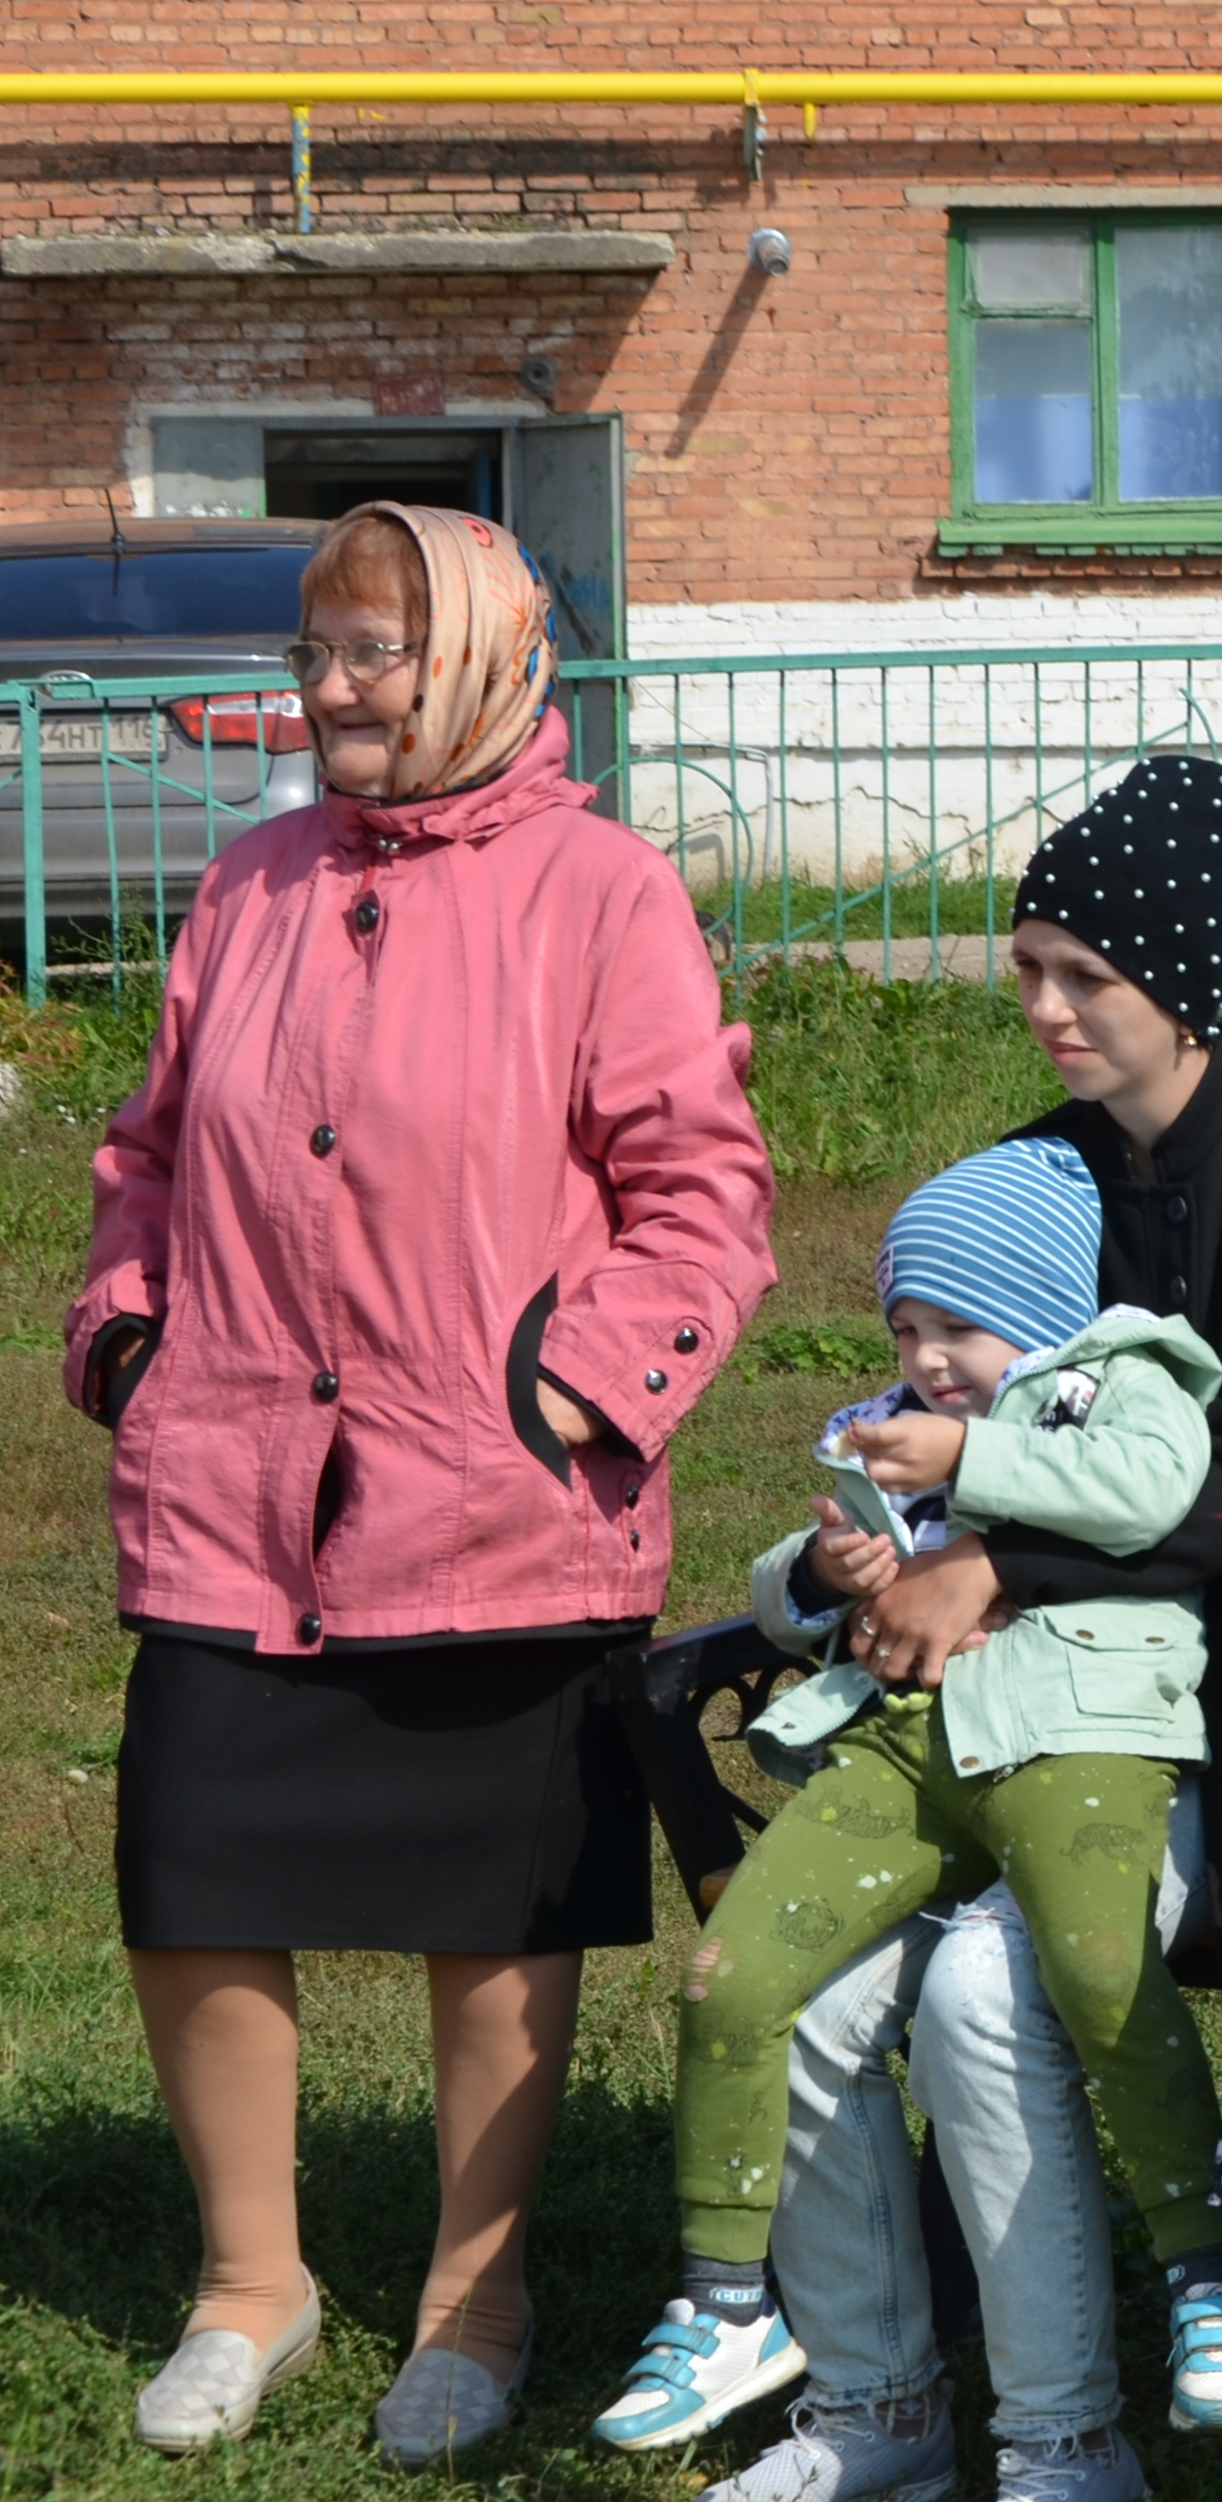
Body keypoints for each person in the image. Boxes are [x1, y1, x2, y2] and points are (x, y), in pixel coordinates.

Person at [69, 501, 778, 2462]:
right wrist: (130, 1332)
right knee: (191, 1877)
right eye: (315, 652)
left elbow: (700, 1194)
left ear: (478, 654)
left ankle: (478, 2301)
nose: (330, 688)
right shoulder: (251, 886)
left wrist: (577, 1386)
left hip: (492, 1500)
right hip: (235, 1480)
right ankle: (254, 2283)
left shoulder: (603, 891)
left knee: (499, 1908)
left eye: (375, 650)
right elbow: (144, 1151)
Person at [724, 752, 1222, 2502]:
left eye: (1077, 972)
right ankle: (885, 2402)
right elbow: (925, 1410)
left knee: (977, 1978)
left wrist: (1000, 1565)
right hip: (985, 1726)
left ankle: (1065, 2431)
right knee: (794, 1977)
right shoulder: (1037, 1178)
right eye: (1024, 963)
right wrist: (874, 1560)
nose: (1039, 1003)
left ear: (1176, 975)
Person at [604, 1148, 1222, 2471]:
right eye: (906, 1328)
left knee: (1094, 1976)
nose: (927, 1356)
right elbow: (787, 1592)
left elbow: (1148, 1494)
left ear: (1040, 1302)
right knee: (732, 1976)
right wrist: (823, 1569)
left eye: (956, 1327)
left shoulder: (1119, 1388)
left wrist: (970, 1453)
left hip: (1078, 1735)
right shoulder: (895, 1419)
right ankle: (729, 2304)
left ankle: (1204, 2281)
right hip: (911, 1749)